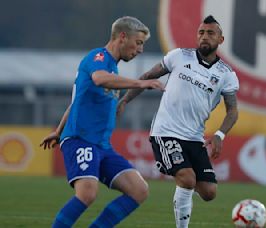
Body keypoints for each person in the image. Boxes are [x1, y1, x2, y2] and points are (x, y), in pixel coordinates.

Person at [40, 16, 164, 227]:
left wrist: (58, 131)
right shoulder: (98, 57)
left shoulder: (113, 69)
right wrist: (141, 83)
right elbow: (99, 78)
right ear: (123, 37)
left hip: (102, 146)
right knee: (87, 193)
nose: (140, 50)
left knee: (139, 190)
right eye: (139, 42)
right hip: (81, 140)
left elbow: (76, 100)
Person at [118, 15, 239, 228]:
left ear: (221, 39)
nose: (204, 37)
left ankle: (184, 196)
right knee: (187, 178)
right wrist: (125, 100)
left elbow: (232, 111)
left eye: (210, 33)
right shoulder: (179, 56)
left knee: (209, 192)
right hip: (166, 131)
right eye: (201, 32)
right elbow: (147, 75)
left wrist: (220, 135)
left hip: (194, 136)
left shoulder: (226, 74)